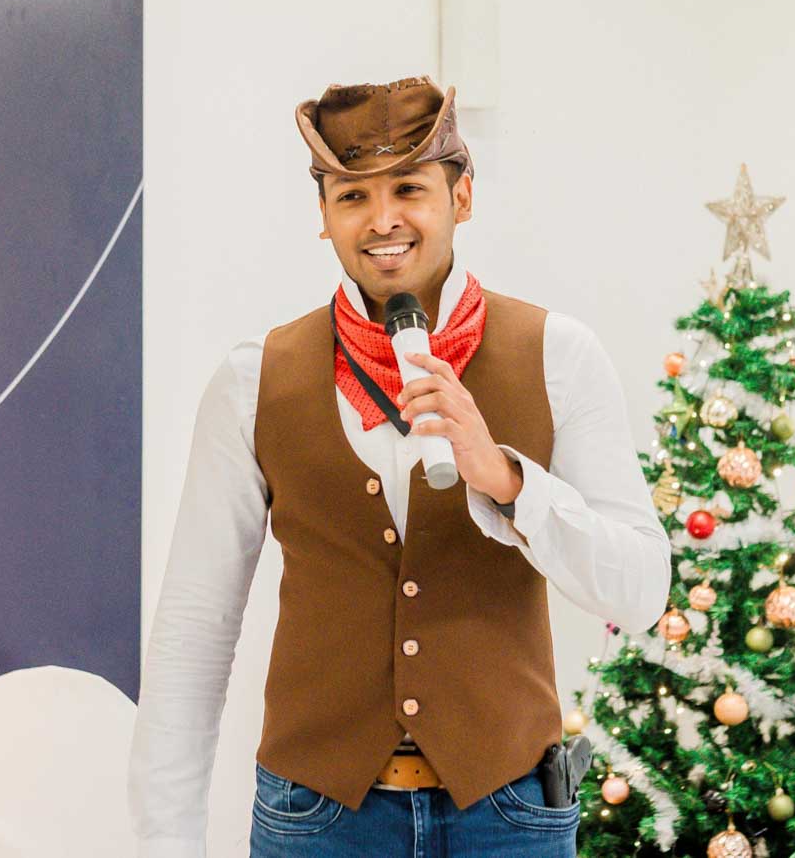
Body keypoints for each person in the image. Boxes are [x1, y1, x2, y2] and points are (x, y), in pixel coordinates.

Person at [127, 74, 672, 857]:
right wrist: (164, 843)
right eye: (352, 196)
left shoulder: (560, 356)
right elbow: (195, 626)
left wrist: (510, 484)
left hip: (508, 818)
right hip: (315, 821)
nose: (382, 220)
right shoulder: (254, 380)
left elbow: (642, 593)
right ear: (324, 216)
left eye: (409, 189)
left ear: (462, 197)